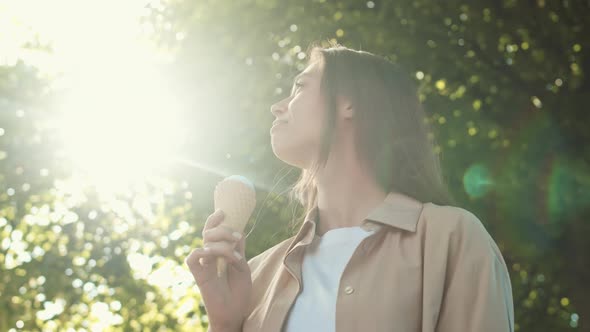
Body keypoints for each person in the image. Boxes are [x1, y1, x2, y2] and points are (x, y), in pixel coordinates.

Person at [185, 42, 515, 332]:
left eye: (300, 86)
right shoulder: (256, 275)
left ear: (351, 103)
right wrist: (225, 325)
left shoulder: (450, 238)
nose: (278, 106)